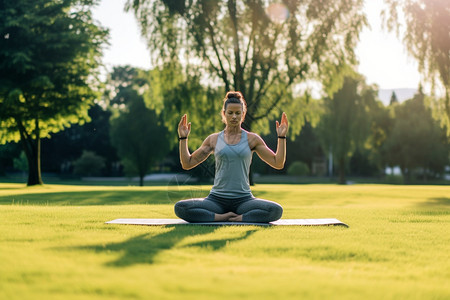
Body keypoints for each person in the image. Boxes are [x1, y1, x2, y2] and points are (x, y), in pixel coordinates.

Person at [174, 91, 288, 223]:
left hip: (244, 200)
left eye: (238, 113)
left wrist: (281, 137)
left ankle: (240, 218)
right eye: (230, 113)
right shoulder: (213, 140)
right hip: (216, 200)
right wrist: (183, 138)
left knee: (275, 210)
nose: (234, 116)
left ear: (243, 115)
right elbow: (187, 163)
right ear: (224, 114)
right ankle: (221, 217)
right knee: (180, 207)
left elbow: (278, 163)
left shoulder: (252, 139)